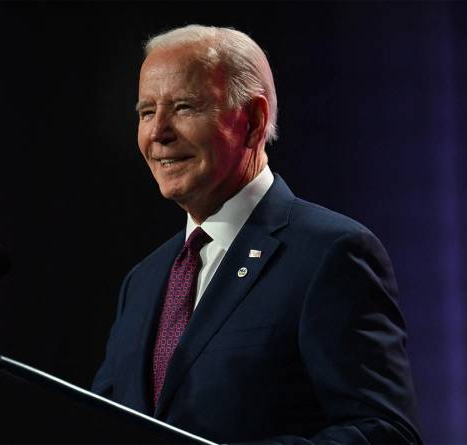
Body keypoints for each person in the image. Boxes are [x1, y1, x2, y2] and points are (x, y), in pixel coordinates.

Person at [92, 25, 421, 444]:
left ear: (252, 120)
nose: (158, 133)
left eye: (184, 107)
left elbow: (388, 434)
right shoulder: (142, 282)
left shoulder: (330, 254)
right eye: (145, 112)